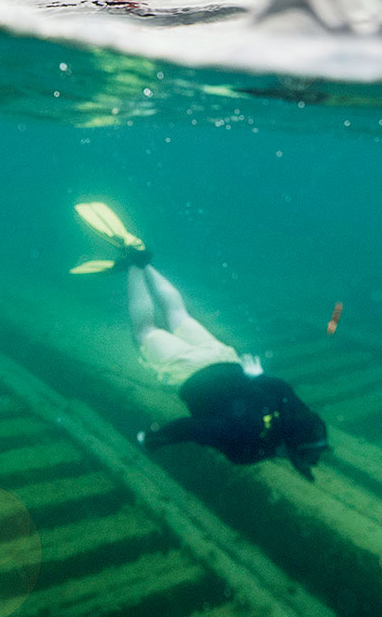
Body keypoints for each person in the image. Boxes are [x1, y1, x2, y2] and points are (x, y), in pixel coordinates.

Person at [71, 203, 330, 478]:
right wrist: (153, 439)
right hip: (191, 371)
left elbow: (280, 387)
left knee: (177, 313)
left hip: (226, 360)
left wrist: (256, 377)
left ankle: (142, 260)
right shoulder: (250, 446)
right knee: (144, 330)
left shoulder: (296, 413)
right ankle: (133, 265)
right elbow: (192, 428)